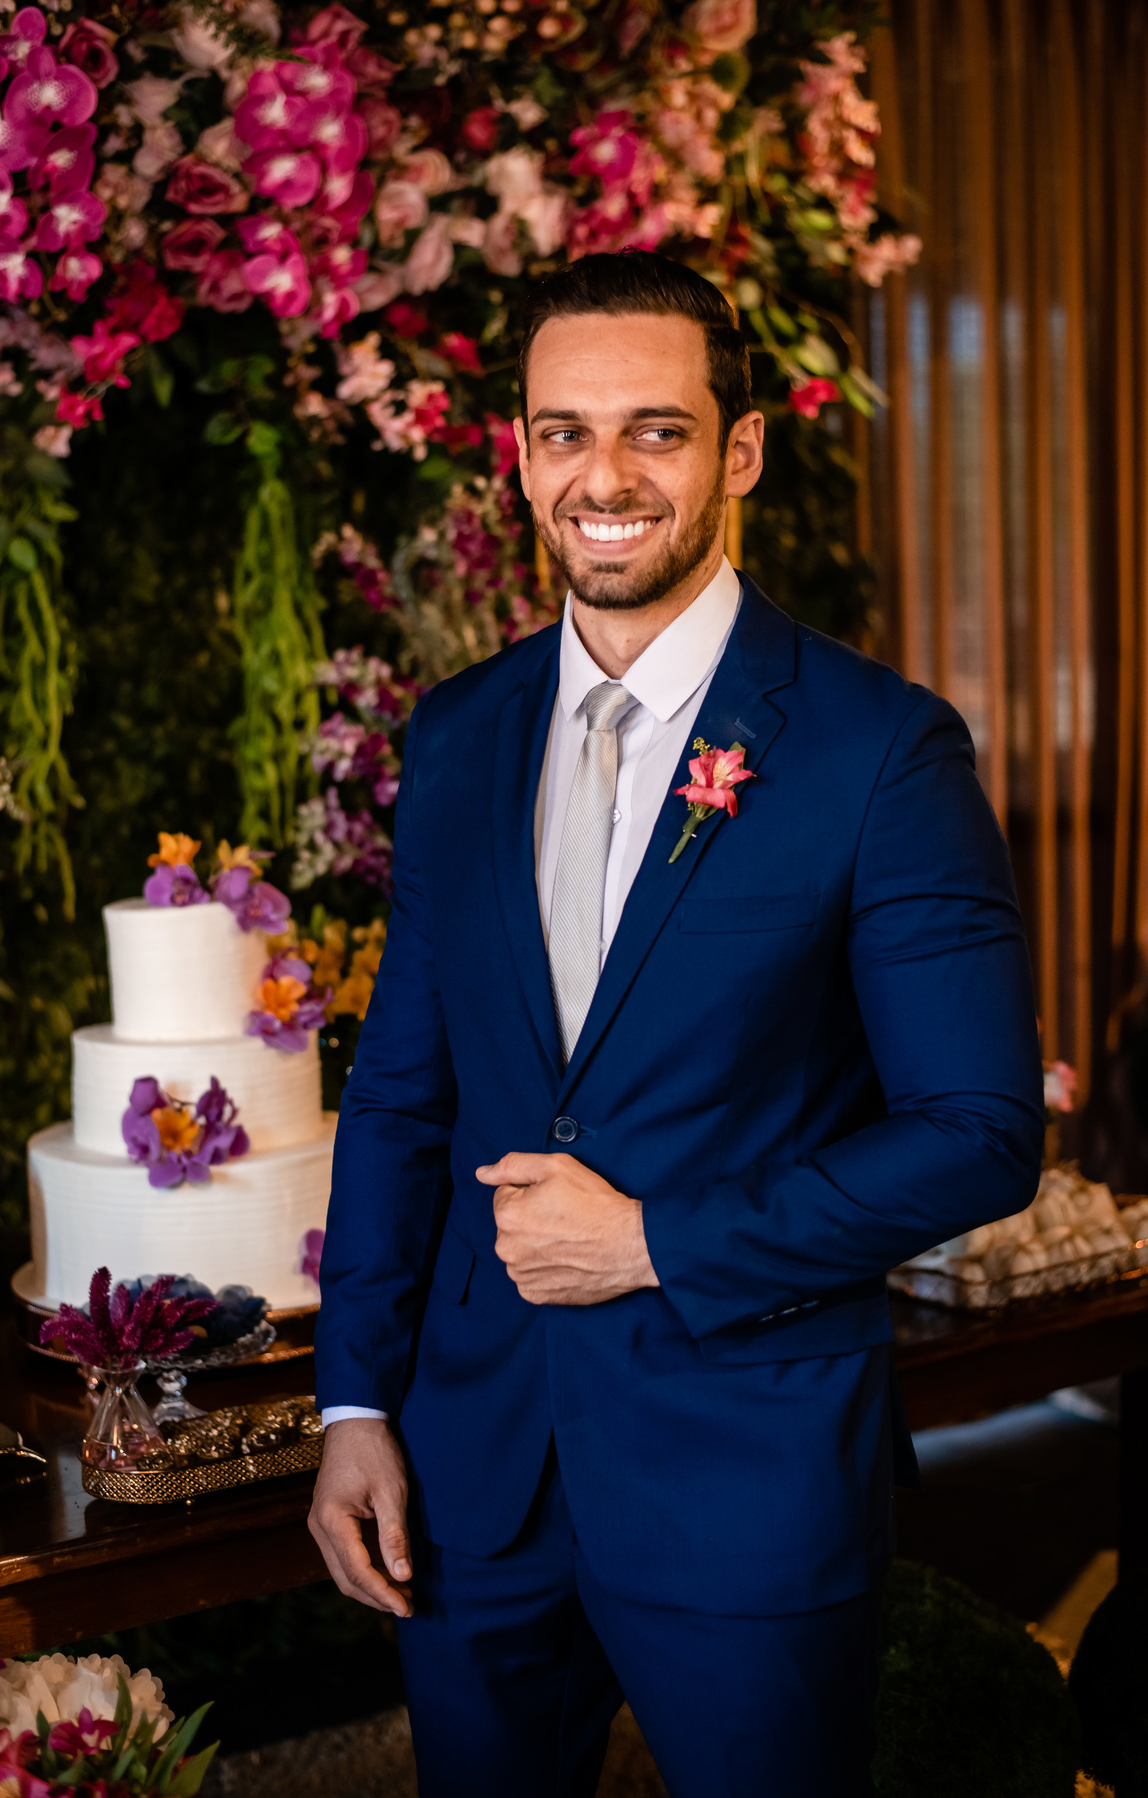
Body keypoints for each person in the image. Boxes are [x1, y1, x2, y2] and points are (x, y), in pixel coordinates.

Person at [308, 250, 1044, 1797]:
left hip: (748, 1478)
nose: (606, 475)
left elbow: (980, 1135)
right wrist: (358, 1400)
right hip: (474, 1475)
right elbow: (399, 1098)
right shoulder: (456, 736)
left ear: (741, 450)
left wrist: (655, 1241)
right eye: (565, 432)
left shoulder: (879, 752)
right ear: (518, 455)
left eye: (656, 428)